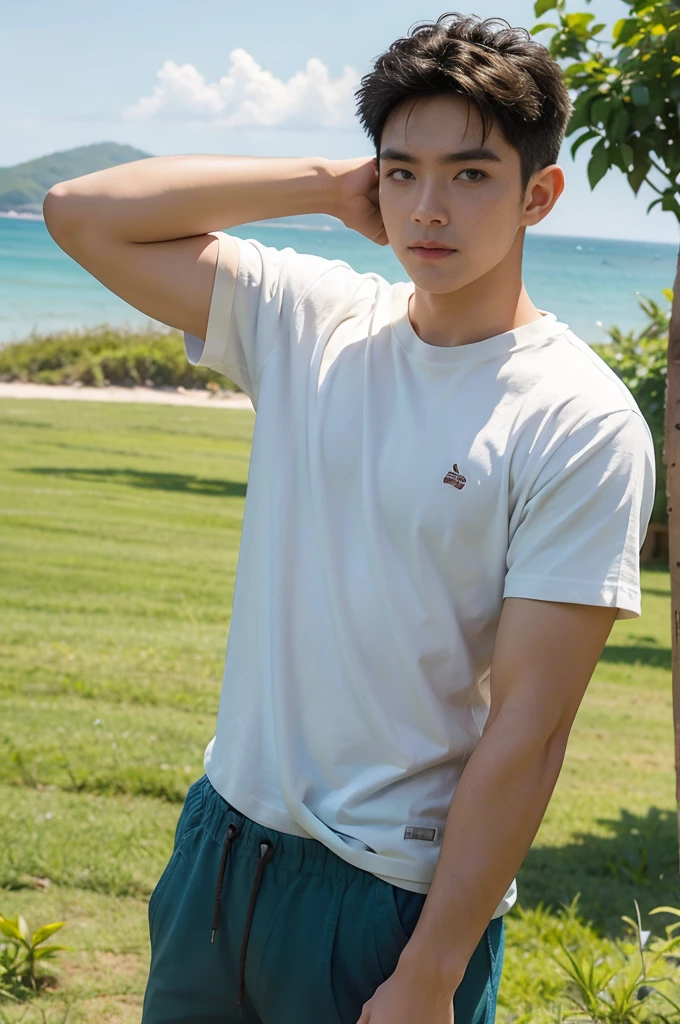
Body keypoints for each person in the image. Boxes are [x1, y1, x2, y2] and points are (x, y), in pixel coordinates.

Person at [43, 11, 656, 1024]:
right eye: (399, 171)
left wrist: (431, 968)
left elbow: (529, 730)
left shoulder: (576, 420)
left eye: (468, 174)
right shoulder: (310, 319)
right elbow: (82, 212)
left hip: (386, 896)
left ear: (536, 195)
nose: (428, 207)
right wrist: (323, 188)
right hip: (222, 844)